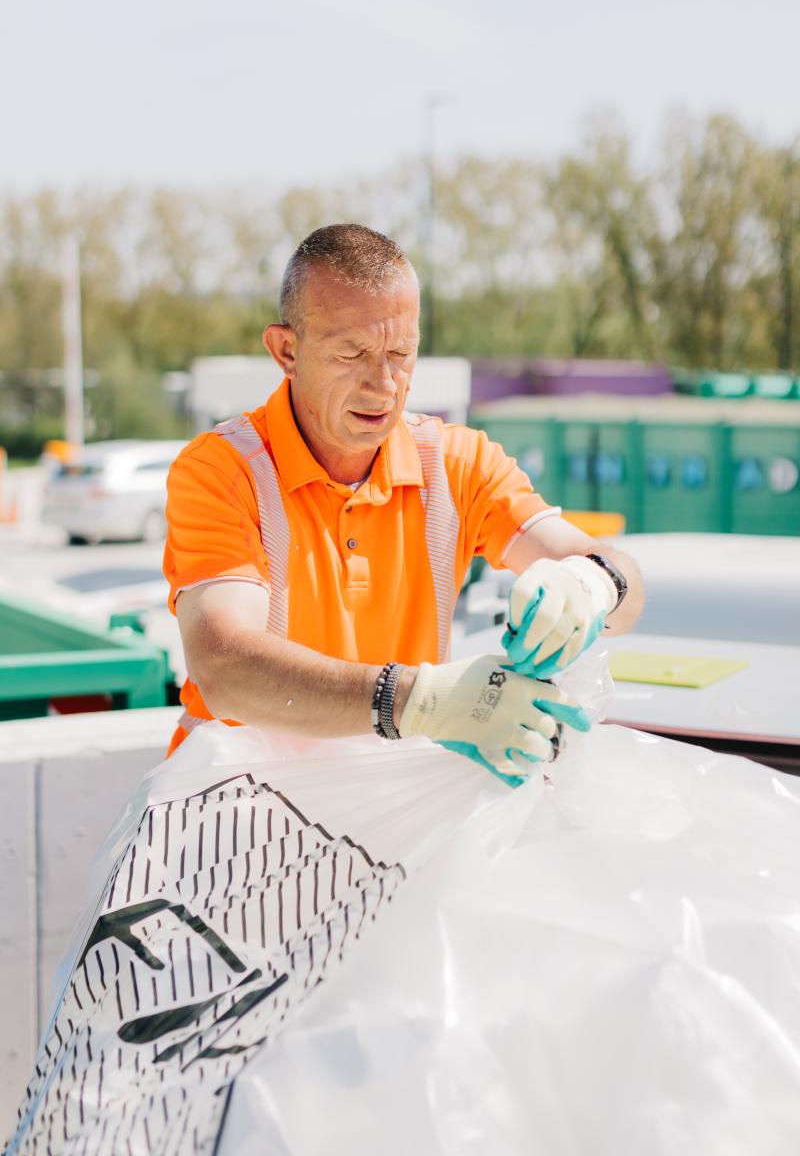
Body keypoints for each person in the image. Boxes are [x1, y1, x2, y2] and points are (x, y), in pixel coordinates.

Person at [163, 224, 643, 781]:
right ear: (286, 351)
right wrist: (421, 700)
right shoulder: (222, 471)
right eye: (352, 353)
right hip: (237, 815)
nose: (384, 384)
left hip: (388, 805)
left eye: (401, 353)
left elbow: (622, 585)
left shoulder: (459, 463)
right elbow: (225, 667)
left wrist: (592, 585)